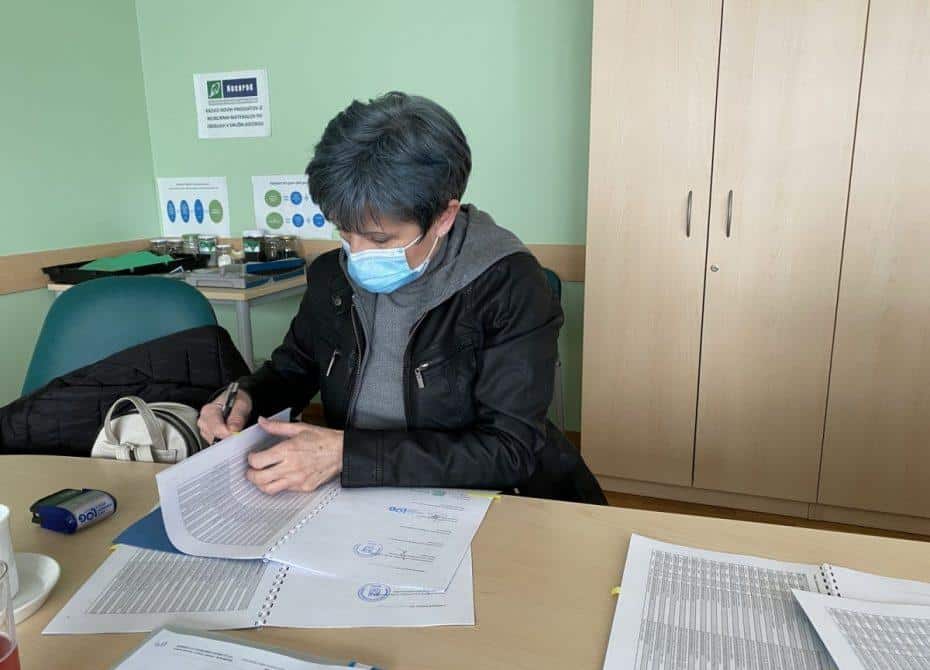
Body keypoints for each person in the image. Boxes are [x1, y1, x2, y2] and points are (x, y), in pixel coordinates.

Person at [198, 92, 605, 504]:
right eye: (344, 232)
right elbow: (294, 368)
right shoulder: (331, 275)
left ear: (444, 217)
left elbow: (508, 450)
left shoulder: (507, 283)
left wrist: (345, 455)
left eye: (379, 239)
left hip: (484, 500)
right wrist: (246, 396)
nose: (356, 254)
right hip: (361, 496)